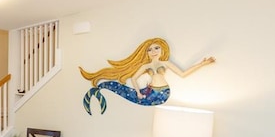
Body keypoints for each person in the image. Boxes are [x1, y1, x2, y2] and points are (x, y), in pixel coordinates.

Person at [80, 38, 215, 106]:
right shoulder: (146, 65)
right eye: (149, 50)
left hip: (163, 92)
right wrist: (138, 92)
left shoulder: (165, 63)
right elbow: (133, 78)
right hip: (149, 92)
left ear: (162, 49)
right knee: (122, 90)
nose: (153, 52)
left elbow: (183, 74)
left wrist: (202, 64)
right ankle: (102, 87)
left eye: (156, 48)